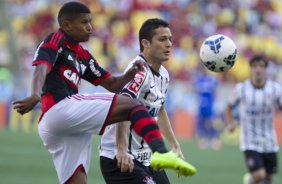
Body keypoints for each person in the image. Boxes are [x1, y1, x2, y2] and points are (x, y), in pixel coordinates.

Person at [12, 2, 196, 184]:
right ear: (67, 25)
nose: (90, 27)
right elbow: (41, 67)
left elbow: (112, 84)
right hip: (59, 109)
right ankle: (161, 153)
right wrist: (35, 94)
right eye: (84, 22)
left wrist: (128, 75)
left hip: (69, 128)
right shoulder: (56, 39)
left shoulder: (82, 56)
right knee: (132, 104)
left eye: (90, 21)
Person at [99, 18, 192, 184]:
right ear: (146, 43)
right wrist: (121, 149)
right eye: (162, 39)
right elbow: (123, 107)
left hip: (147, 157)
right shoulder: (138, 72)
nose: (169, 44)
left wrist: (175, 146)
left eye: (170, 39)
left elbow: (160, 110)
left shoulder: (163, 74)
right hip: (120, 157)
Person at [225, 55, 281, 184]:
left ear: (266, 69)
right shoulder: (242, 89)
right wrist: (231, 123)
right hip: (249, 141)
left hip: (270, 141)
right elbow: (228, 107)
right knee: (258, 175)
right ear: (250, 69)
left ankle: (251, 180)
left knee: (268, 177)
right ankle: (252, 178)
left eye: (261, 66)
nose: (258, 70)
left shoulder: (275, 89)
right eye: (255, 66)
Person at [194, 65, 221, 150]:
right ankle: (204, 139)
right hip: (201, 104)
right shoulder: (199, 79)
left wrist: (214, 101)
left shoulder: (212, 79)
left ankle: (215, 138)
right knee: (202, 121)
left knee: (210, 121)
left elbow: (216, 91)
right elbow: (195, 90)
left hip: (209, 104)